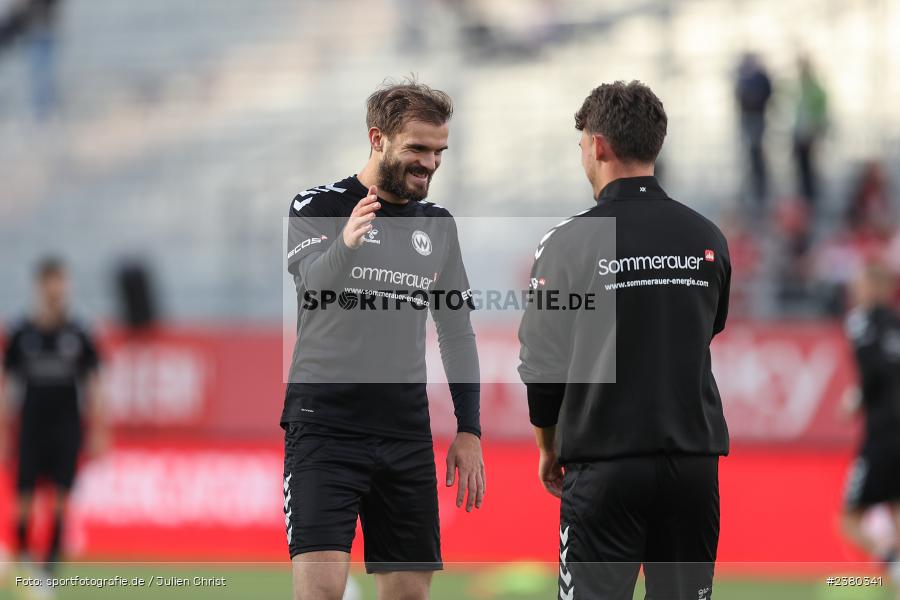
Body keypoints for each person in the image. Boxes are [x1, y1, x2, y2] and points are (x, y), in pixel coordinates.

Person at [518, 80, 731, 600]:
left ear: (598, 146)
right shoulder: (706, 236)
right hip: (692, 464)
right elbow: (709, 328)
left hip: (604, 464)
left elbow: (543, 364)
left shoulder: (567, 241)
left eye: (582, 147)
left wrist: (548, 447)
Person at [282, 79, 485, 600]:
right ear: (378, 138)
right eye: (417, 148)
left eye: (439, 151)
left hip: (404, 431)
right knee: (320, 593)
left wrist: (469, 429)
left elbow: (456, 329)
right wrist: (346, 245)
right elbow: (313, 286)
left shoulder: (437, 224)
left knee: (408, 595)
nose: (430, 163)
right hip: (325, 427)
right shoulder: (318, 205)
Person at [0, 257, 106, 578]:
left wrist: (101, 428)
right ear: (39, 287)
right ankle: (22, 554)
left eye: (60, 282)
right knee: (24, 496)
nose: (55, 289)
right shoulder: (21, 332)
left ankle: (51, 562)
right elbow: (6, 383)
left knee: (61, 495)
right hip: (30, 422)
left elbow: (94, 384)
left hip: (67, 423)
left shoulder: (79, 332)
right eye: (50, 282)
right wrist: (3, 428)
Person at [841, 264, 900, 584]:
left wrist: (856, 399)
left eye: (859, 285)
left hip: (880, 434)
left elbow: (872, 374)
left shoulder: (861, 321)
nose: (855, 291)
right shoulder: (896, 323)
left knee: (848, 519)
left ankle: (891, 565)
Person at [735, 53, 773, 210]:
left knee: (757, 153)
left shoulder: (760, 78)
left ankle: (760, 186)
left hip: (757, 117)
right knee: (750, 153)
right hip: (749, 118)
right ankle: (752, 184)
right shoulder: (743, 78)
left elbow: (767, 94)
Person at [792, 56, 828, 207]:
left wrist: (814, 131)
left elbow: (820, 113)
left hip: (809, 135)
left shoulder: (815, 89)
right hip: (799, 134)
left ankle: (811, 198)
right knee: (801, 168)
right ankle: (804, 197)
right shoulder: (800, 88)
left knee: (810, 168)